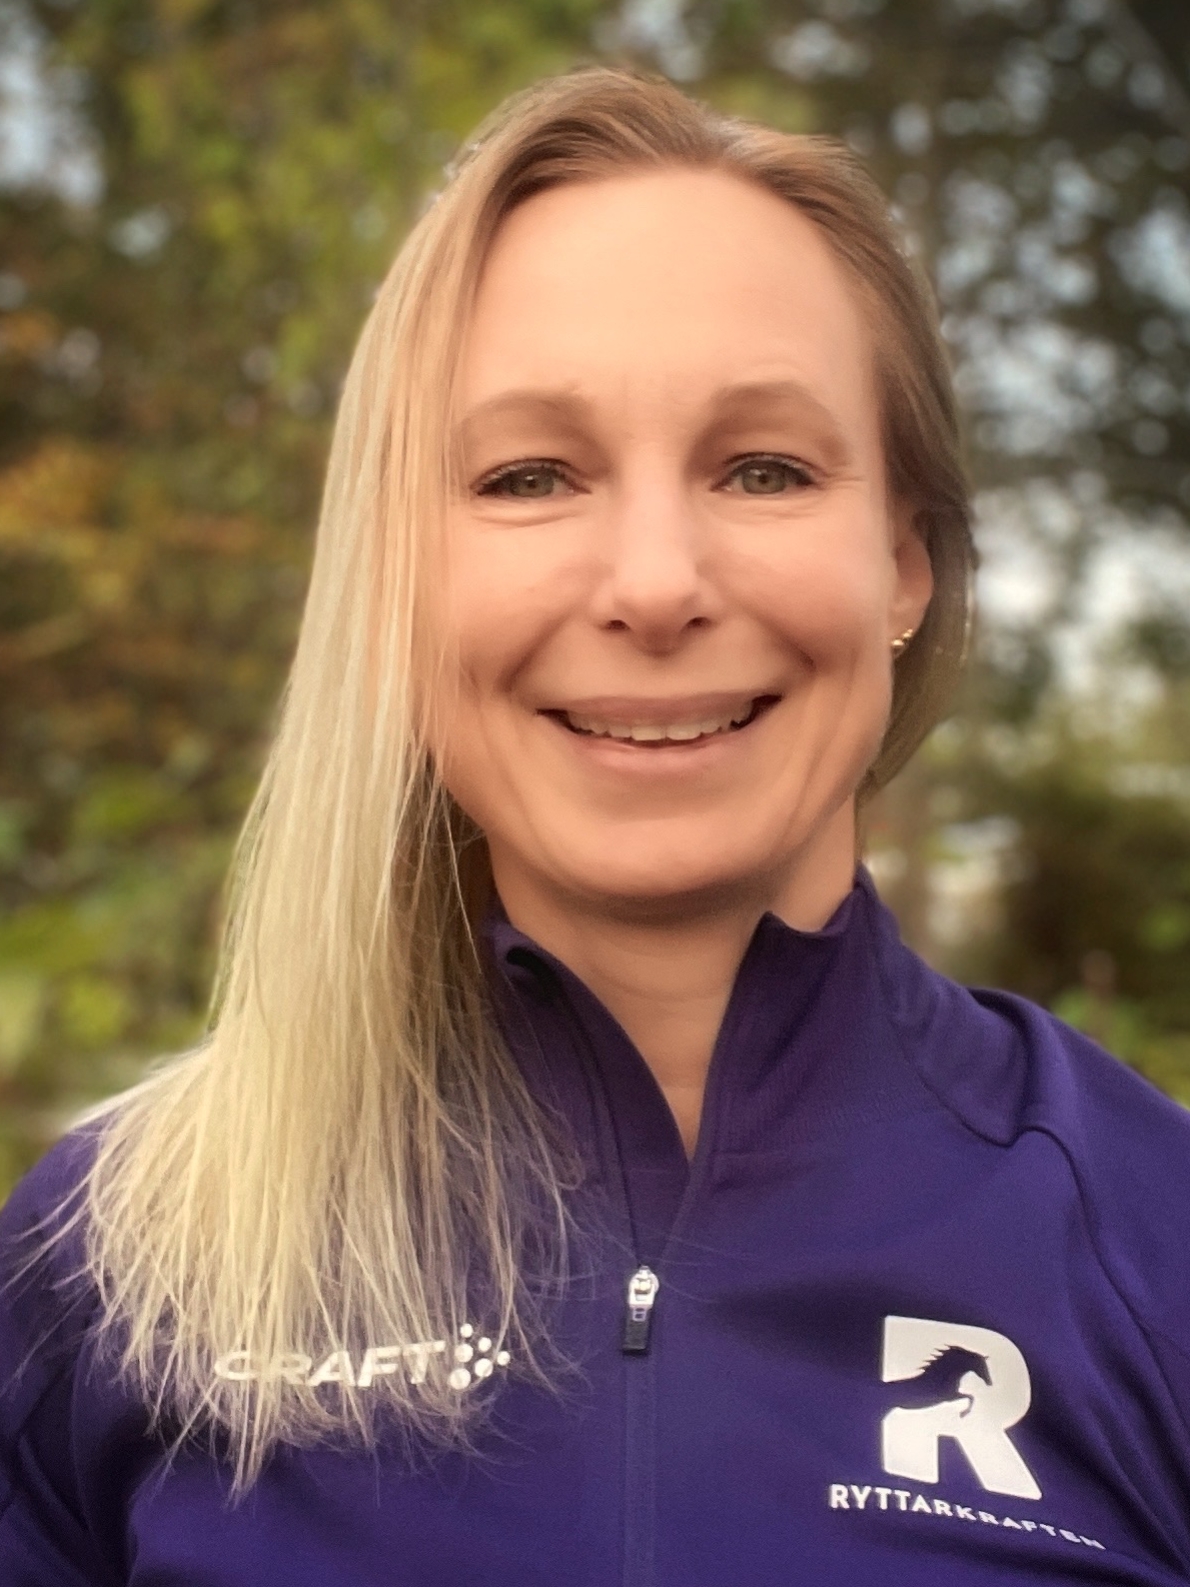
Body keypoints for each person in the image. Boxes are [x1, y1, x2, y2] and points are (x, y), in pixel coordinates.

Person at [2, 66, 1190, 1587]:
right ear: (396, 574)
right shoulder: (114, 1262)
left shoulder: (1149, 1240)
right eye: (528, 477)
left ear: (904, 563)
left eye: (763, 468)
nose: (653, 583)